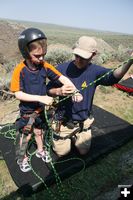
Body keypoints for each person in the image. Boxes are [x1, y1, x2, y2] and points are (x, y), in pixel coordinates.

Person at [10, 28, 83, 172]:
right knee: (26, 134)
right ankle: (22, 158)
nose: (42, 58)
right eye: (37, 55)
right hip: (27, 111)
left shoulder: (44, 66)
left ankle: (40, 150)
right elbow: (17, 93)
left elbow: (62, 78)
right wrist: (40, 98)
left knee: (39, 131)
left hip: (40, 109)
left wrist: (74, 89)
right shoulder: (20, 70)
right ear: (26, 52)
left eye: (44, 54)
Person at [47, 36, 133, 157]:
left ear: (93, 55)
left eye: (83, 58)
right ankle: (64, 136)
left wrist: (130, 60)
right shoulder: (61, 69)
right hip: (64, 121)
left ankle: (77, 134)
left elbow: (114, 76)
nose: (78, 60)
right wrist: (59, 91)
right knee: (62, 154)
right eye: (76, 55)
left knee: (83, 151)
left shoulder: (95, 71)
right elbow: (48, 89)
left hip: (83, 121)